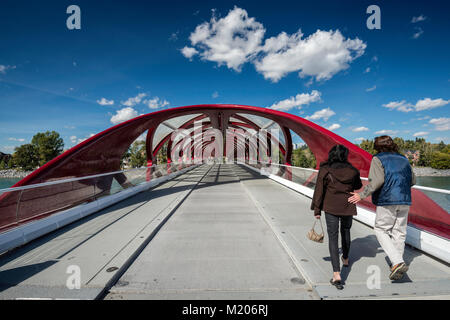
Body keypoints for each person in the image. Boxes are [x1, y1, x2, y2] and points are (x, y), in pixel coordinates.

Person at [348, 135, 416, 281]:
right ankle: (397, 263)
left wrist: (361, 195)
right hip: (405, 199)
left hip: (387, 199)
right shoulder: (404, 159)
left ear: (377, 146)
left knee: (380, 229)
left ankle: (397, 261)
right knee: (399, 232)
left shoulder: (378, 159)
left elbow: (377, 181)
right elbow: (413, 180)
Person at [311, 145, 363, 290]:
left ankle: (336, 274)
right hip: (348, 205)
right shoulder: (352, 170)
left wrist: (317, 209)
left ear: (332, 154)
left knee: (333, 238)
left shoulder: (325, 169)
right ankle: (345, 259)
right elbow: (358, 185)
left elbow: (319, 190)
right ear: (345, 155)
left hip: (331, 207)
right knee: (346, 232)